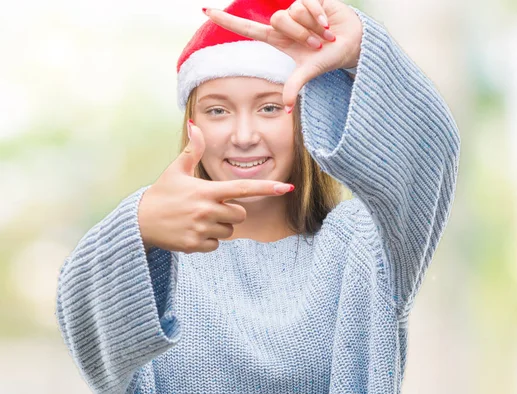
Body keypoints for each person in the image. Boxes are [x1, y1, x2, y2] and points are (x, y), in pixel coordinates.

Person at [55, 0, 460, 392]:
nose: (244, 136)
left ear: (306, 117)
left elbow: (429, 154)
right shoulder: (156, 260)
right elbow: (86, 335)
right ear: (192, 124)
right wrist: (136, 226)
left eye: (269, 108)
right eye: (218, 111)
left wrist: (360, 51)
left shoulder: (361, 246)